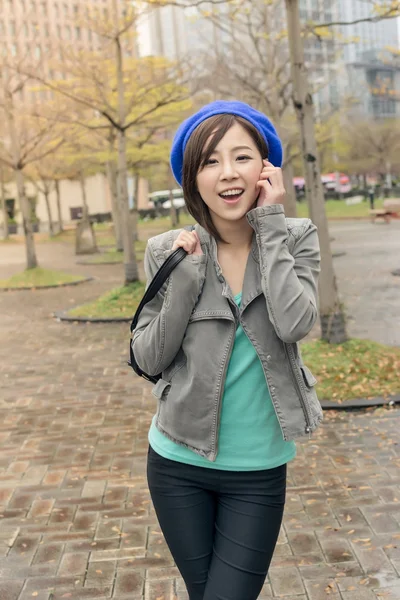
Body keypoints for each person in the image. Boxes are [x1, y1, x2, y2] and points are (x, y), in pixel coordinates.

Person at [131, 100, 323, 600]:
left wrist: (271, 226)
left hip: (256, 472)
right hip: (176, 463)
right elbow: (149, 359)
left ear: (266, 167)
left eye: (242, 157)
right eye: (210, 161)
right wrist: (185, 276)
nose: (228, 173)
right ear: (192, 178)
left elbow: (295, 323)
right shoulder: (167, 248)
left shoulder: (296, 237)